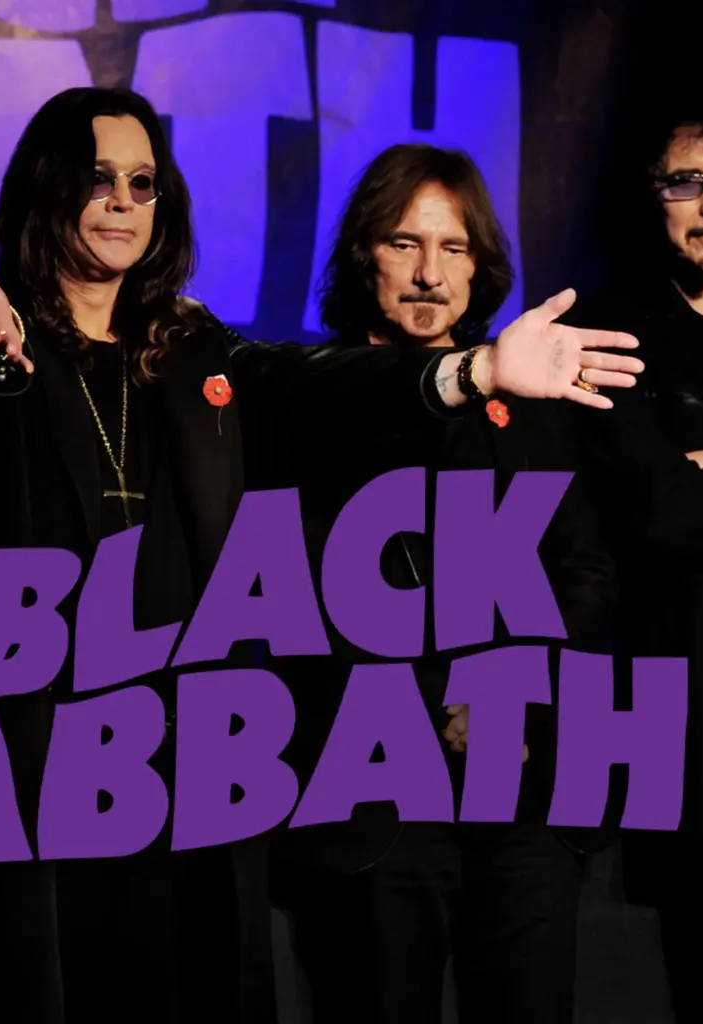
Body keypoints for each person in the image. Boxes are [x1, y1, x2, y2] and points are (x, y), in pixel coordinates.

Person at [0, 87, 642, 1024]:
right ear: (47, 188)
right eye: (97, 179)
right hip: (37, 752)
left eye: (143, 182)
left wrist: (478, 368)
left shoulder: (187, 348)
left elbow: (307, 379)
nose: (123, 201)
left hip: (180, 759)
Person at [244, 143, 616, 1024]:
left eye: (454, 248)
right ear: (362, 255)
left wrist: (509, 692)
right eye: (403, 243)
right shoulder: (309, 395)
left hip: (522, 795)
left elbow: (587, 573)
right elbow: (288, 600)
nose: (428, 275)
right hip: (372, 801)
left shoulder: (534, 409)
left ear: (481, 266)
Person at [563, 108, 703, 1023]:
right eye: (688, 182)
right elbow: (656, 511)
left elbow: (687, 500)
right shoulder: (612, 331)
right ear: (654, 197)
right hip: (697, 741)